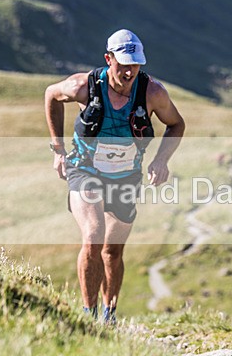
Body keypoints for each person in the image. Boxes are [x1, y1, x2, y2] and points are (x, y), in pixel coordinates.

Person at [44, 29, 185, 323]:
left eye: (135, 65)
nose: (129, 72)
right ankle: (87, 314)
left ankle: (109, 316)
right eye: (123, 64)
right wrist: (58, 149)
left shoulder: (152, 93)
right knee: (93, 236)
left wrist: (161, 160)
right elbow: (51, 96)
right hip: (85, 169)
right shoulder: (84, 85)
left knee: (112, 251)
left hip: (126, 178)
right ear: (108, 59)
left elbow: (176, 124)